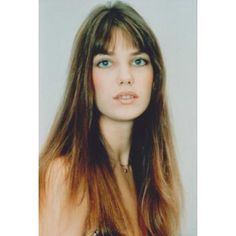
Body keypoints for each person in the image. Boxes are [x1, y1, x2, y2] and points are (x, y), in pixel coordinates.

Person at [39, 1, 183, 235]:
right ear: (85, 78)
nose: (125, 77)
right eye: (105, 62)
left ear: (154, 76)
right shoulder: (67, 176)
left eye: (138, 61)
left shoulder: (148, 180)